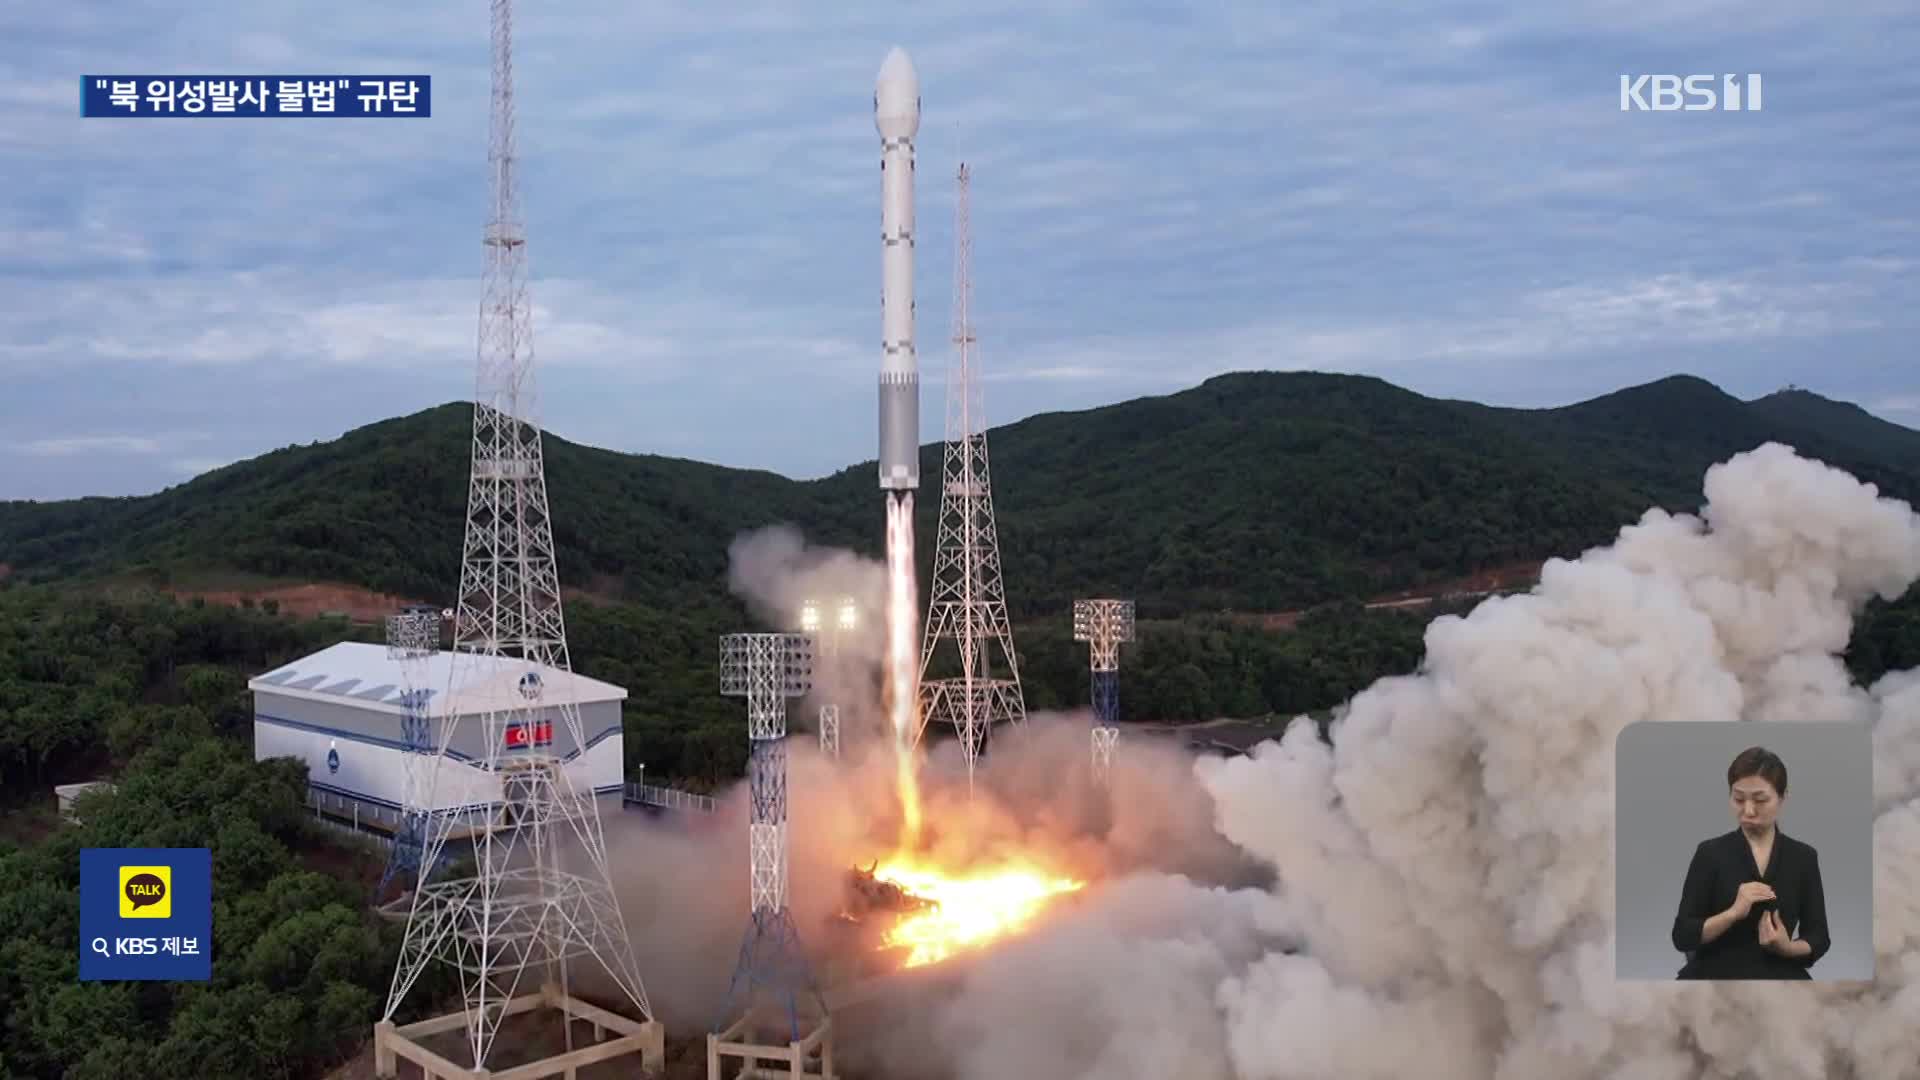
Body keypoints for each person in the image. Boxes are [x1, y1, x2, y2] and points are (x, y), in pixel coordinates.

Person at [1671, 746, 1830, 979]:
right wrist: (1733, 913)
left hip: (1781, 976)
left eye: (1760, 800)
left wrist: (1787, 948)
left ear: (1783, 797)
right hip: (1714, 977)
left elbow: (1819, 936)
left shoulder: (1804, 857)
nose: (1748, 811)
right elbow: (1682, 935)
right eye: (1738, 799)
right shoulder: (1710, 853)